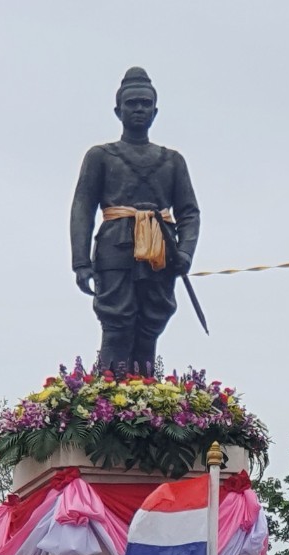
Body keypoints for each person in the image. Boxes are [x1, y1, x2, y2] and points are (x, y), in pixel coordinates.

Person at [70, 66, 201, 376]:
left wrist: (185, 252)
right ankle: (108, 395)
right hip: (115, 247)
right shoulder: (101, 156)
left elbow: (189, 212)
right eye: (132, 103)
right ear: (118, 111)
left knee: (150, 324)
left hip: (160, 249)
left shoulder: (172, 161)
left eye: (145, 103)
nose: (139, 109)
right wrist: (81, 262)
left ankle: (144, 396)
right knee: (117, 323)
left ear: (155, 111)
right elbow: (83, 207)